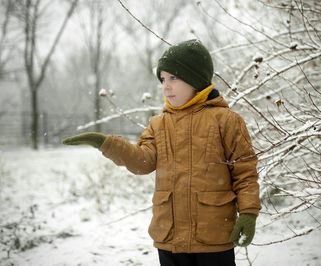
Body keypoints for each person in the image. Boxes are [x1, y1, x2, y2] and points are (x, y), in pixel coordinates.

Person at [63, 39, 261, 266]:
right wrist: (106, 143)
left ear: (195, 79)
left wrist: (248, 213)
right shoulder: (159, 124)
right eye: (163, 79)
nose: (166, 86)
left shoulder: (226, 121)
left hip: (213, 236)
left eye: (173, 78)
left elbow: (245, 173)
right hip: (170, 237)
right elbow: (142, 162)